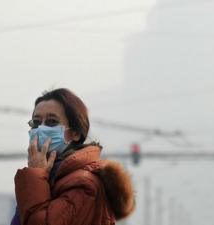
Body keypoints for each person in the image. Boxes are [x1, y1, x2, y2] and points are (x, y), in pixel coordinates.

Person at [11, 88, 135, 225]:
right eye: (36, 122)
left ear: (75, 133)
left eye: (52, 122)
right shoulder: (50, 177)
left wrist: (35, 175)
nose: (41, 129)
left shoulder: (85, 184)